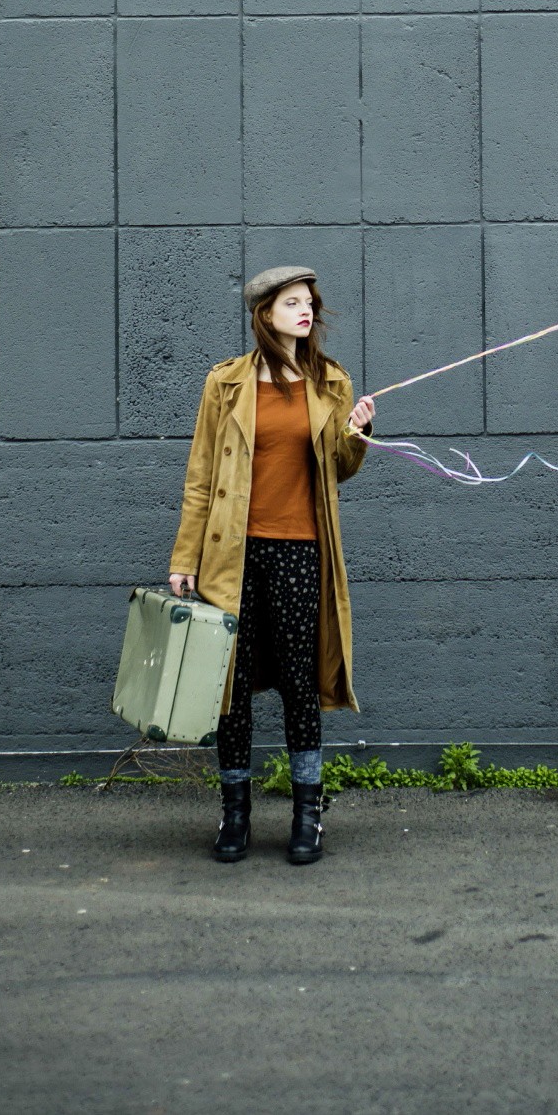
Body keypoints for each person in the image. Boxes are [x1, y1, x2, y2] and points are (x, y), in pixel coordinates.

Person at [167, 266, 375, 865]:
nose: (305, 311)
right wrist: (185, 557)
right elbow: (201, 477)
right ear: (266, 314)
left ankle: (308, 816)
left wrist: (358, 432)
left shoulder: (330, 381)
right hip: (231, 555)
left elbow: (340, 468)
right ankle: (234, 815)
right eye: (292, 303)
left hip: (300, 551)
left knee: (298, 685)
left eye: (309, 302)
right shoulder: (225, 383)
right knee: (230, 690)